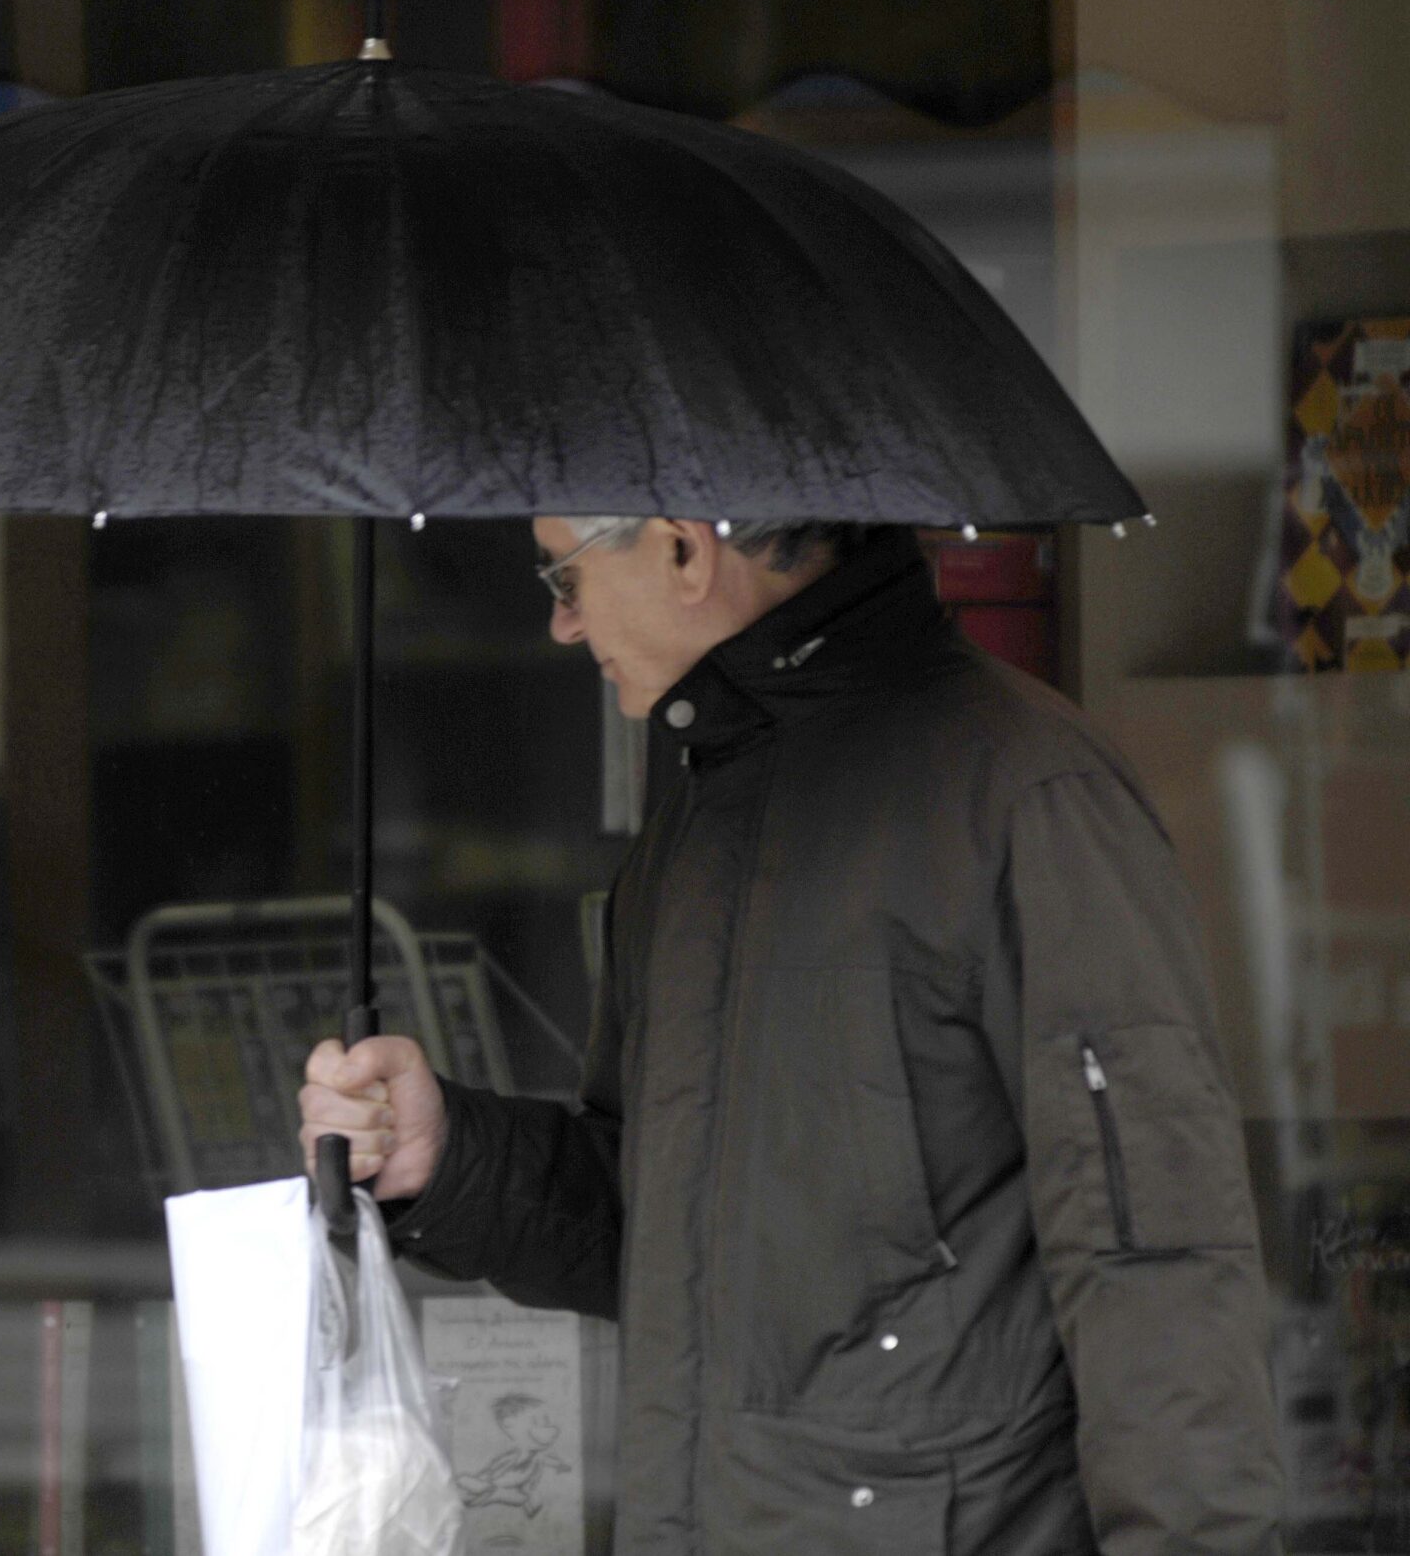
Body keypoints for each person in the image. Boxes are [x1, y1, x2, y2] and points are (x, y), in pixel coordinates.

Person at [300, 517, 1282, 1555]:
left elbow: (1156, 1261)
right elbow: (664, 1224)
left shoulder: (1029, 791)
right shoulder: (702, 803)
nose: (559, 620)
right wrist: (449, 1154)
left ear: (683, 548)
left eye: (566, 572)